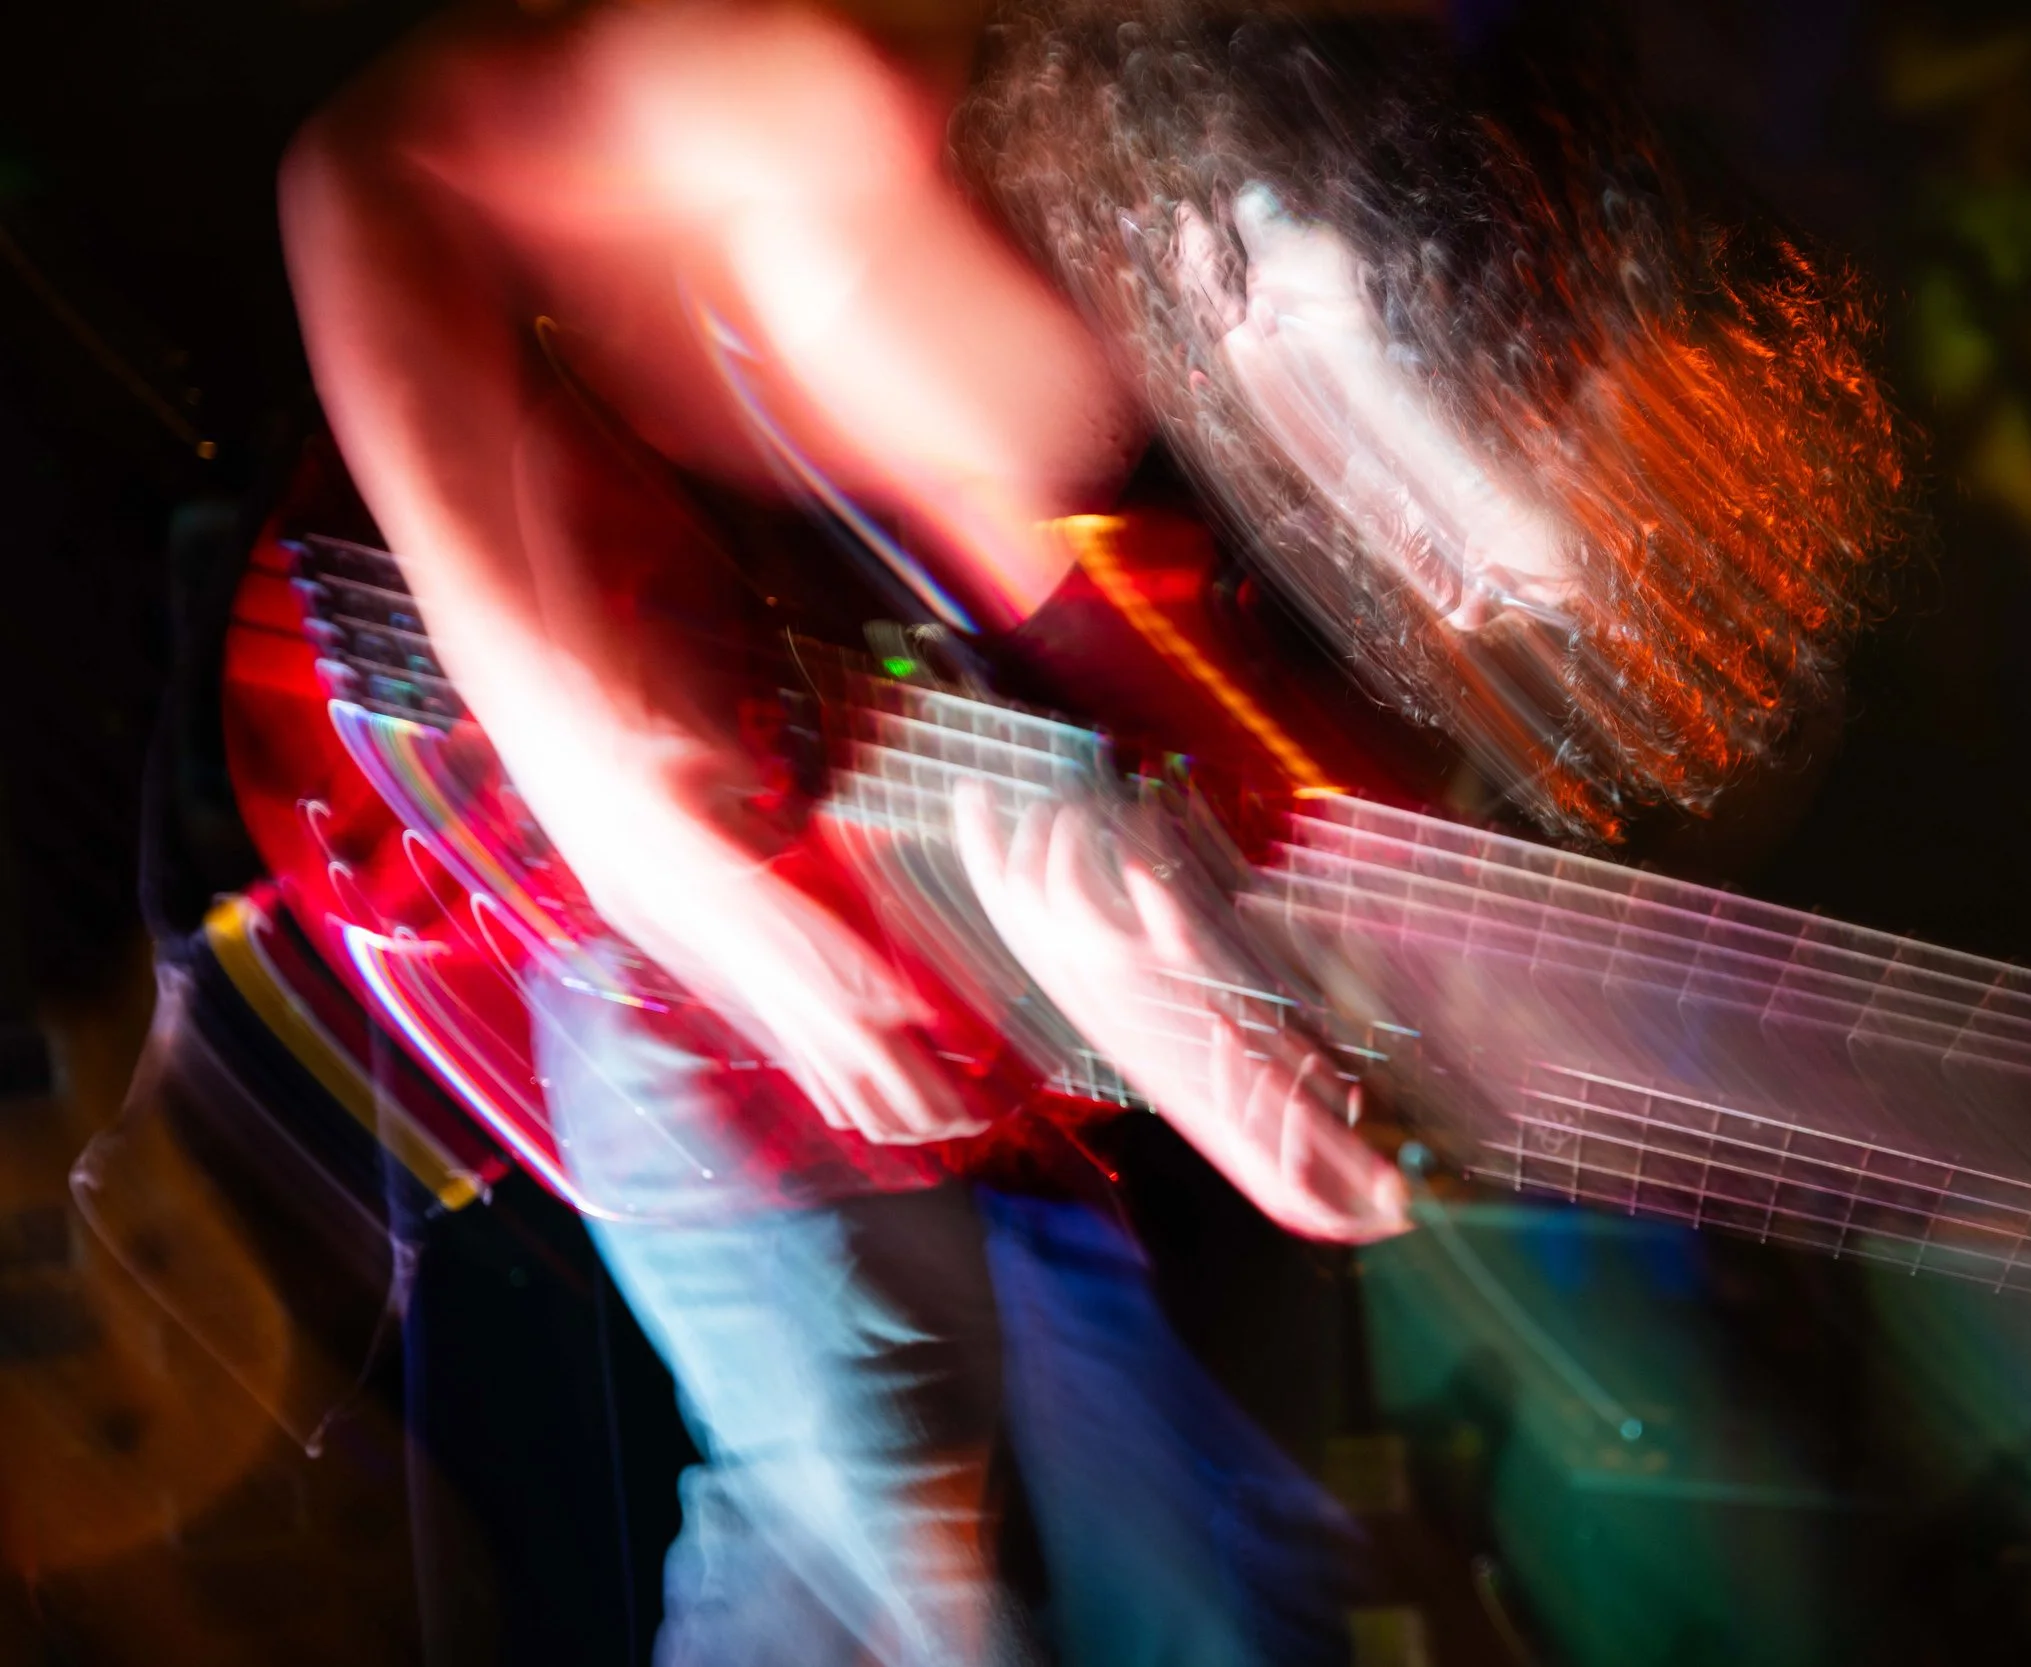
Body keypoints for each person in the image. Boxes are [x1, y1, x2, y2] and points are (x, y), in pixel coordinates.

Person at [277, 1, 1904, 1660]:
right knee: (880, 1546)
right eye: (1438, 530)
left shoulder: (1265, 485)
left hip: (962, 1005)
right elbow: (368, 167)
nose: (1453, 588)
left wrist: (1232, 1045)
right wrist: (600, 781)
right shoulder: (844, 97)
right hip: (595, 876)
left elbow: (1076, 707)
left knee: (1234, 1583)